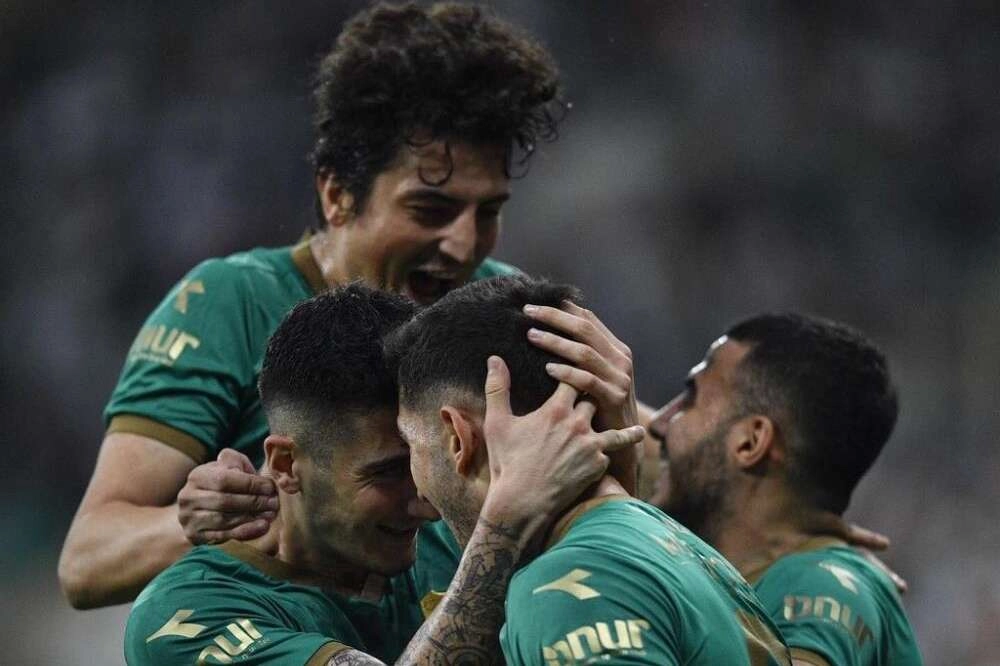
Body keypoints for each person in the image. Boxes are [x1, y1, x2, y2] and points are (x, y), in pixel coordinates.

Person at [59, 1, 563, 609]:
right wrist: (199, 524)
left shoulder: (501, 309)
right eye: (430, 209)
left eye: (488, 211)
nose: (463, 244)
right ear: (337, 194)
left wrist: (635, 429)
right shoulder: (233, 303)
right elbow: (88, 561)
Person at [125, 284, 644, 665]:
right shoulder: (187, 618)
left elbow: (618, 596)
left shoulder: (454, 528)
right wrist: (503, 529)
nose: (426, 502)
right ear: (285, 465)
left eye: (423, 456)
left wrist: (619, 437)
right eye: (389, 472)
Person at [390, 275, 792, 665]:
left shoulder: (567, 584)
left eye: (411, 446)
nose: (419, 494)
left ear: (458, 438)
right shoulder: (690, 552)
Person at [647, 313, 923, 665]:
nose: (659, 423)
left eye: (690, 398)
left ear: (751, 442)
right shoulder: (754, 577)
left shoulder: (822, 585)